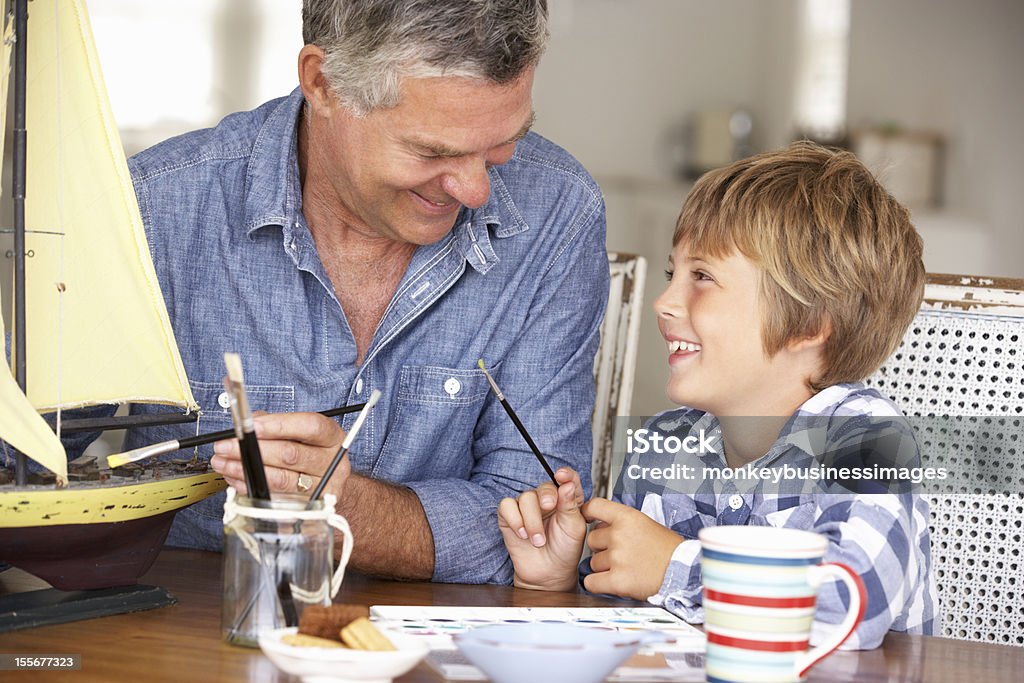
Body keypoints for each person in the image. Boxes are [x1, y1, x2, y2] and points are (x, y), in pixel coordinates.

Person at [86, 0, 608, 584]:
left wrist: (343, 505)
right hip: (179, 636)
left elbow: (540, 531)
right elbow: (27, 461)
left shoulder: (559, 213)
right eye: (434, 151)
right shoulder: (154, 208)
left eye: (502, 143)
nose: (477, 189)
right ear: (323, 83)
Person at [499, 141, 938, 648]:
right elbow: (626, 629)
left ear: (809, 325)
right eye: (672, 275)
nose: (663, 302)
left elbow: (847, 608)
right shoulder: (664, 445)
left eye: (702, 277)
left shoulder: (868, 441)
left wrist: (671, 564)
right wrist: (560, 582)